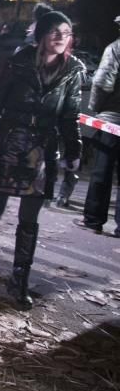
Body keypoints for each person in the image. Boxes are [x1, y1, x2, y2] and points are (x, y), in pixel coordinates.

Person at [0, 3, 83, 309]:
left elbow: (70, 115)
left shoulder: (73, 71)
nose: (60, 37)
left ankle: (19, 279)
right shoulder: (19, 62)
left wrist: (73, 151)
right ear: (41, 34)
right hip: (8, 143)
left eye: (66, 34)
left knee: (29, 219)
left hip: (42, 150)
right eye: (55, 31)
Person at [79, 15, 120, 234]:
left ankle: (93, 220)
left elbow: (102, 83)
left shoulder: (115, 49)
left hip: (112, 120)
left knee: (102, 172)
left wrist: (97, 109)